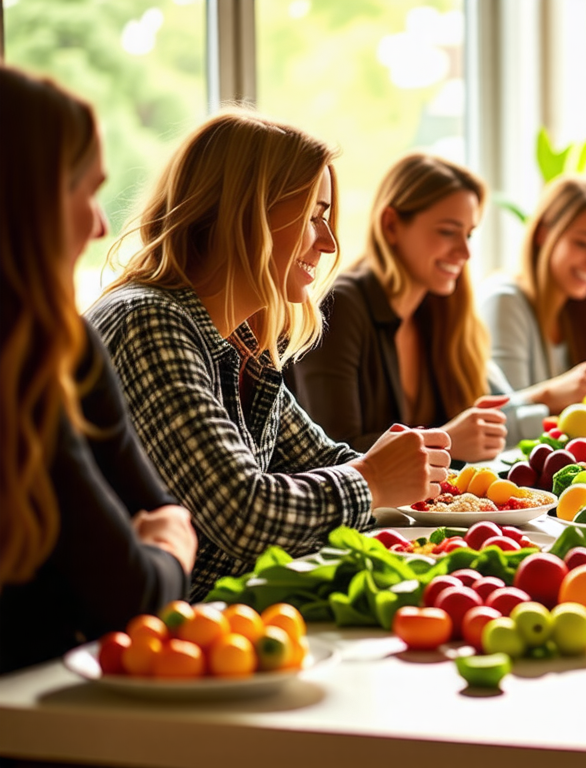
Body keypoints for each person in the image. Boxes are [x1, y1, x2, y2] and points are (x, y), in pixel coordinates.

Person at [86, 112, 451, 601]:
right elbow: (244, 514)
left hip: (226, 624)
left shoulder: (243, 343)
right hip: (157, 643)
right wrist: (373, 480)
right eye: (312, 216)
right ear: (245, 212)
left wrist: (436, 489)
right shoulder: (147, 321)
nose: (328, 243)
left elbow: (324, 459)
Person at [0, 65, 196, 673]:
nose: (100, 223)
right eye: (84, 191)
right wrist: (163, 546)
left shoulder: (61, 340)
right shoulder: (37, 355)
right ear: (27, 199)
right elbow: (134, 589)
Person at [289, 153, 549, 457]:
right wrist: (445, 440)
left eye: (468, 234)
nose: (465, 251)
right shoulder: (341, 308)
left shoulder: (441, 312)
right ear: (391, 225)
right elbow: (331, 453)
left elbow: (495, 412)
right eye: (448, 231)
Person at [478, 175, 586, 405]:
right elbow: (500, 416)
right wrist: (551, 395)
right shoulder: (504, 301)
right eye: (583, 243)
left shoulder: (577, 309)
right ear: (544, 234)